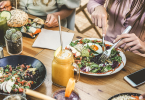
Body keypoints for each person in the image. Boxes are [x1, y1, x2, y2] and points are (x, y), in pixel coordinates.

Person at [0, 0, 80, 28]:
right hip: (19, 28)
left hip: (49, 29)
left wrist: (56, 15)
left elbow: (69, 8)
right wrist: (10, 3)